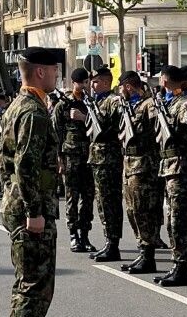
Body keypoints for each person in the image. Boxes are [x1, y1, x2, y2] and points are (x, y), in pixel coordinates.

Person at [2, 45, 73, 317]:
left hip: (20, 202)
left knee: (28, 282)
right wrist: (33, 211)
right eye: (55, 71)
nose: (58, 76)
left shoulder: (20, 105)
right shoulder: (33, 112)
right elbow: (25, 165)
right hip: (33, 209)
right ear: (41, 72)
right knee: (34, 286)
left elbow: (5, 162)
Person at [154, 65, 187, 288]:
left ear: (164, 80)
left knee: (179, 219)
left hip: (180, 167)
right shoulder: (167, 102)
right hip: (169, 166)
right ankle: (177, 264)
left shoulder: (182, 104)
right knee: (172, 218)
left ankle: (182, 266)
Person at [118, 70, 162, 275]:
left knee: (143, 210)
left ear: (128, 86)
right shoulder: (130, 105)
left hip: (144, 165)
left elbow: (157, 131)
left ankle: (148, 255)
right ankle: (142, 251)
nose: (120, 92)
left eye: (122, 88)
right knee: (132, 210)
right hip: (129, 164)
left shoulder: (149, 105)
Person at [55, 67, 96, 254]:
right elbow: (56, 132)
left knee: (88, 197)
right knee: (72, 196)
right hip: (71, 155)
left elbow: (98, 125)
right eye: (81, 83)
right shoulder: (63, 105)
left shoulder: (91, 103)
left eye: (86, 82)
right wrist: (59, 159)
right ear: (73, 83)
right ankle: (73, 235)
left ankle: (84, 234)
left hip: (89, 155)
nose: (84, 86)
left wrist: (83, 117)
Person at [86, 66, 125, 262]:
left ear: (106, 82)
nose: (92, 85)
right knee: (101, 202)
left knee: (110, 202)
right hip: (98, 159)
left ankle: (113, 243)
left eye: (95, 82)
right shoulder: (97, 101)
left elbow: (116, 127)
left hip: (109, 159)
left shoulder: (113, 101)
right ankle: (109, 240)